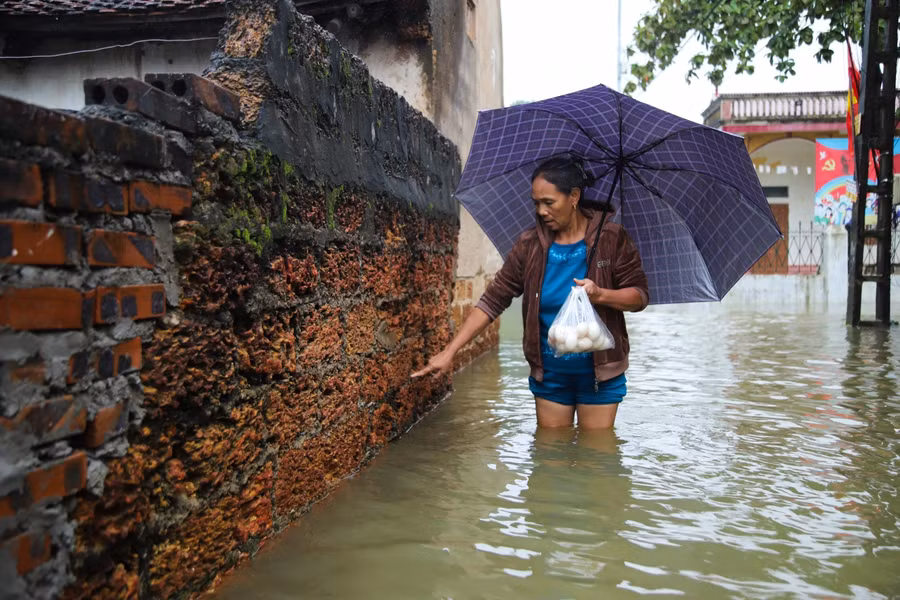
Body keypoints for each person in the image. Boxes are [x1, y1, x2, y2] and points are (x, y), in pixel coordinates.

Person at [412, 157, 649, 429]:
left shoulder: (611, 238)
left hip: (601, 374)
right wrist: (450, 351)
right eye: (536, 203)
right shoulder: (529, 244)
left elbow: (639, 296)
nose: (541, 211)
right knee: (549, 452)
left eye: (549, 202)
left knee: (596, 451)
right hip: (550, 374)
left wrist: (601, 295)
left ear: (574, 196)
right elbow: (493, 300)